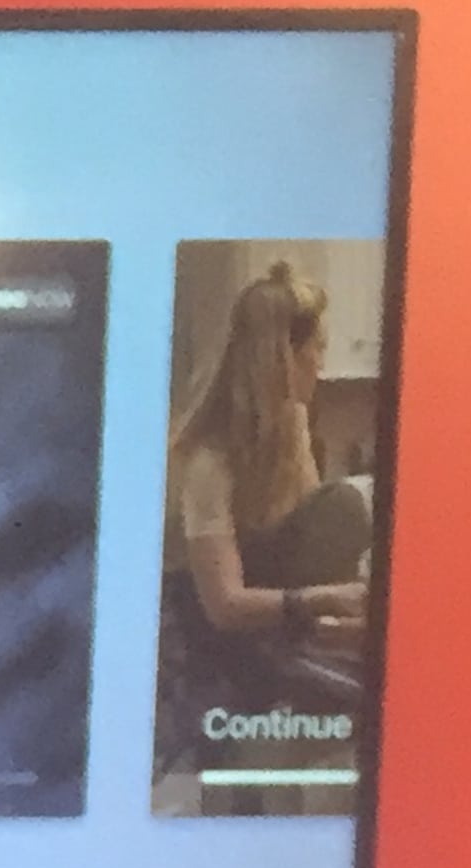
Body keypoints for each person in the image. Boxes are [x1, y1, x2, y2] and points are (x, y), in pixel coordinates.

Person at [157, 257, 369, 808]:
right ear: (284, 357)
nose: (321, 363)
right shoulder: (209, 461)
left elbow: (308, 553)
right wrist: (322, 599)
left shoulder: (293, 431)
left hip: (280, 647)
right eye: (316, 348)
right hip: (219, 666)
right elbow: (224, 606)